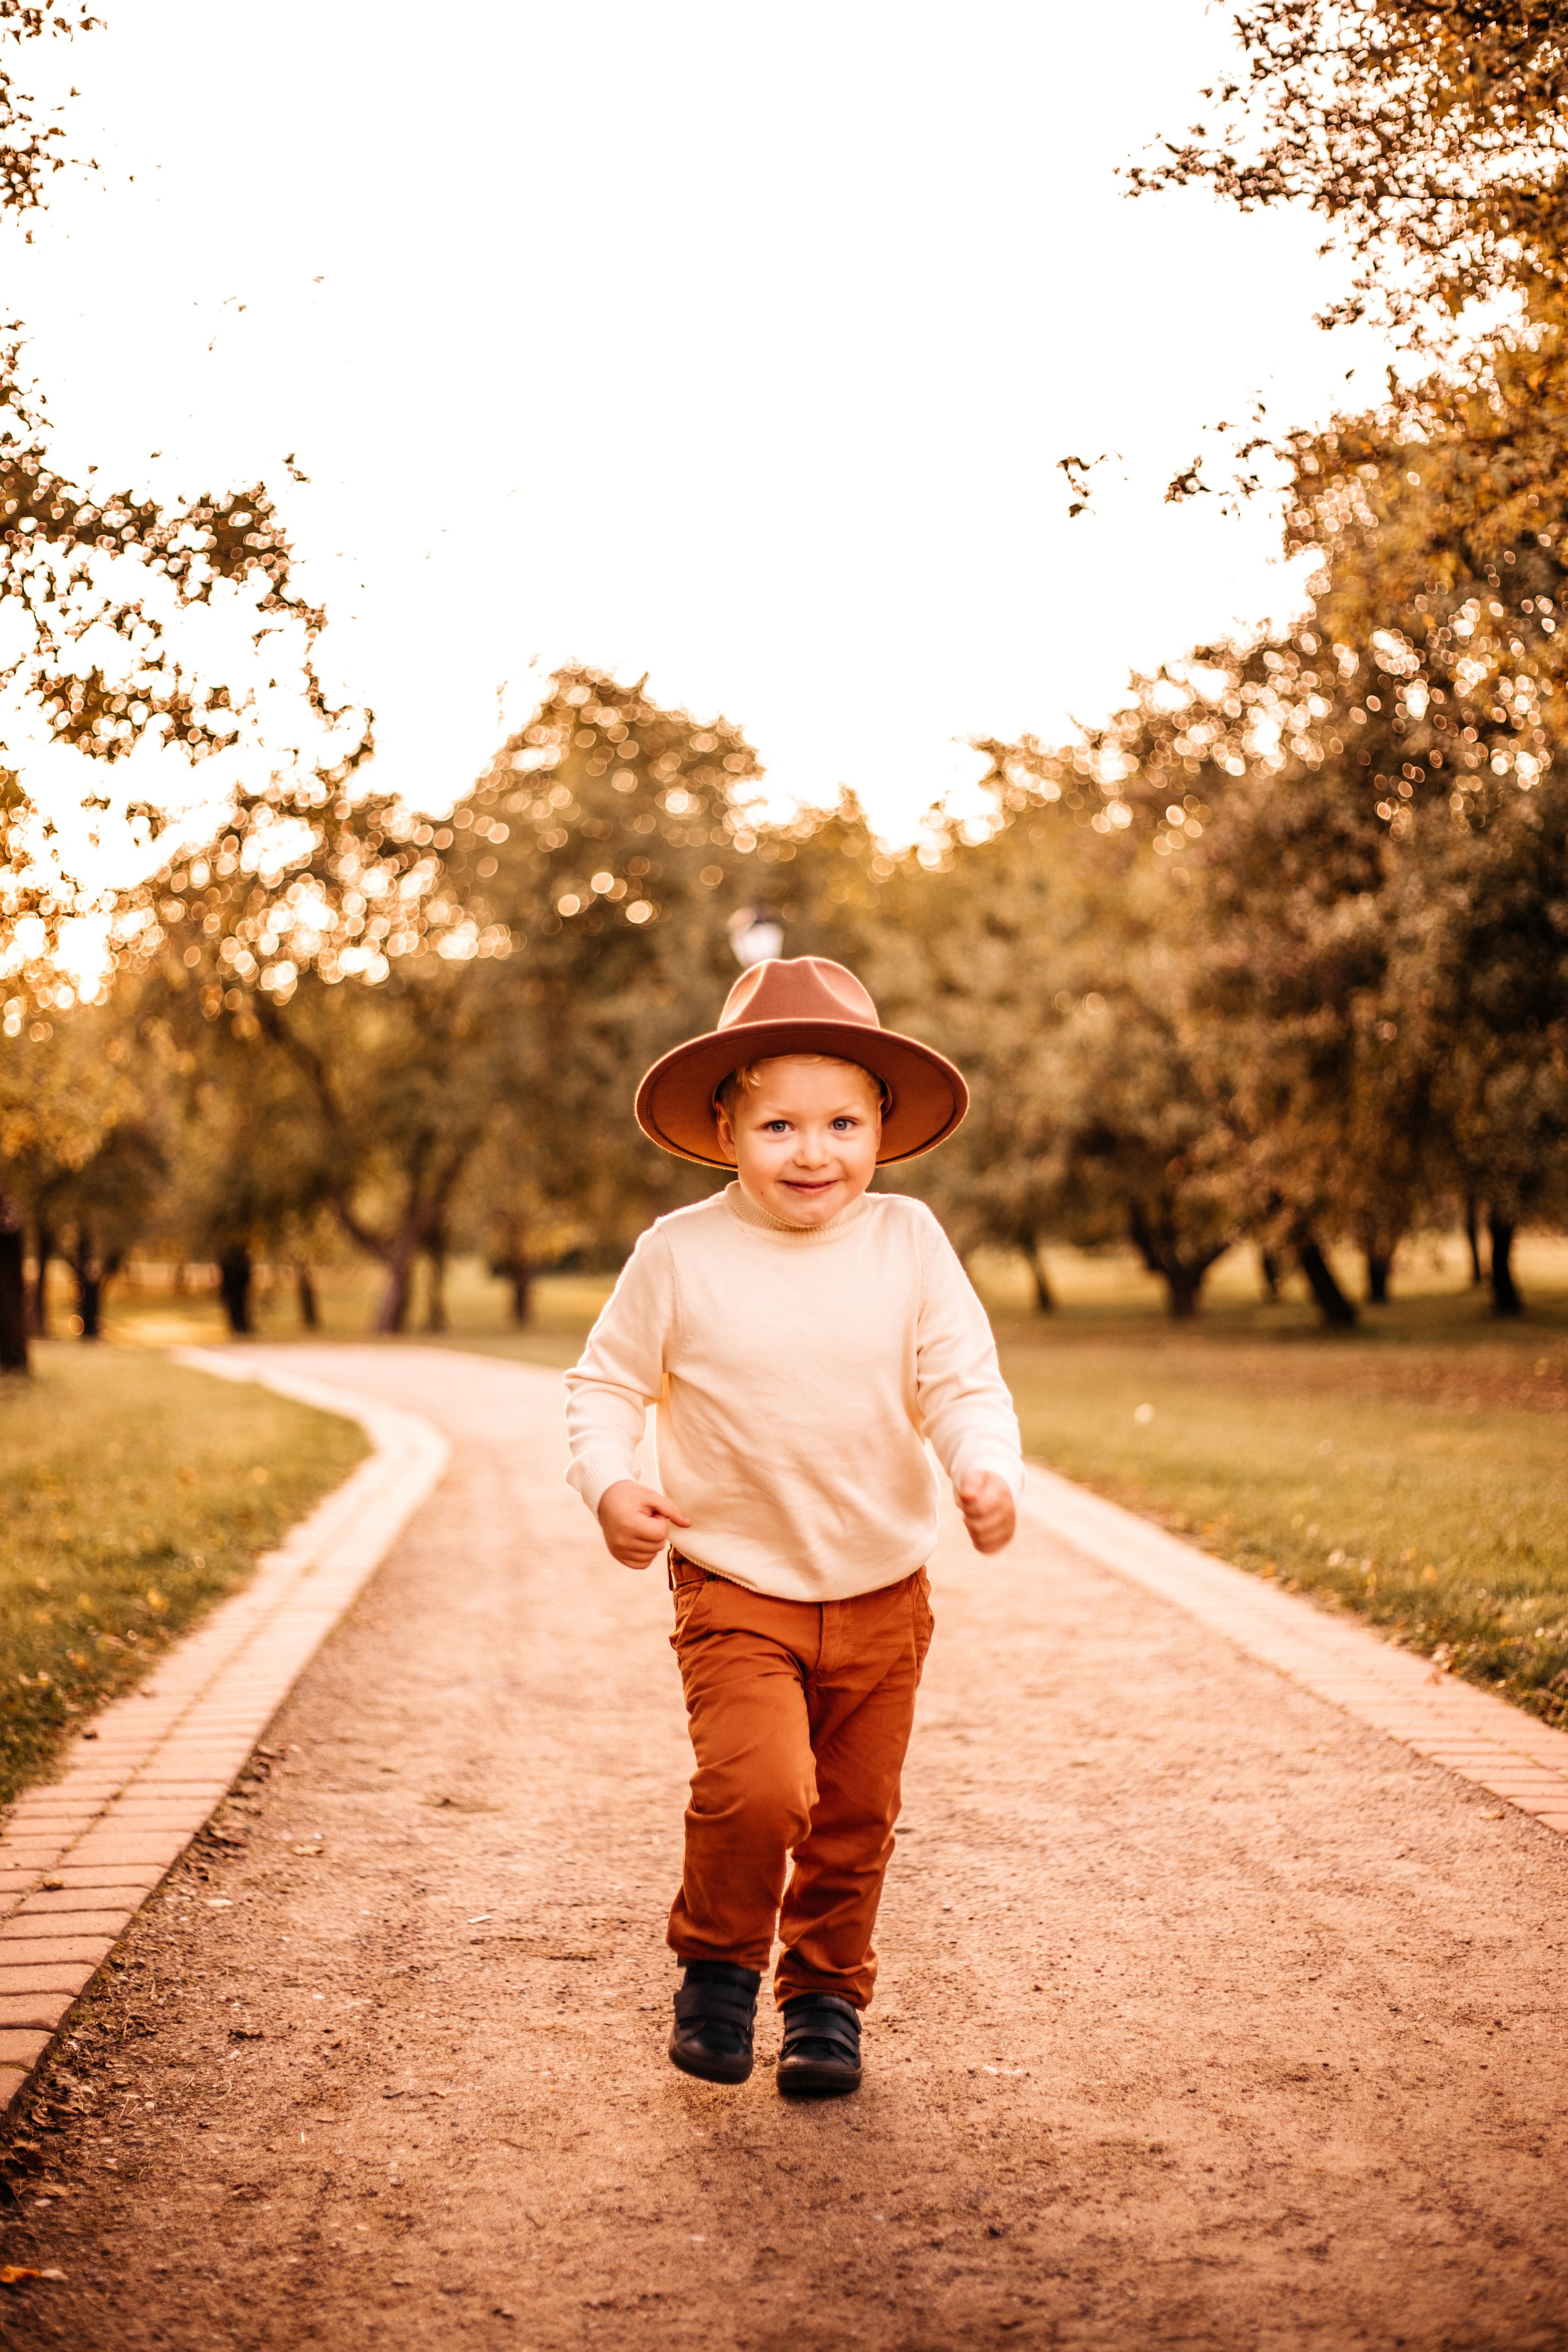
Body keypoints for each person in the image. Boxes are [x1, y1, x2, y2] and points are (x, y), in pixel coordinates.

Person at [564, 956, 1022, 2097]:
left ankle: (824, 1998)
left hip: (882, 1590)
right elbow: (606, 1387)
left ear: (881, 1126)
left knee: (856, 1815)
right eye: (778, 1124)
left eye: (840, 1123)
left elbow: (961, 1383)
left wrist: (983, 1468)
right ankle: (717, 1970)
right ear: (725, 1128)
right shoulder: (679, 1253)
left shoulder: (909, 1242)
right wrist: (610, 1486)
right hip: (735, 1585)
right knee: (760, 1790)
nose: (812, 1152)